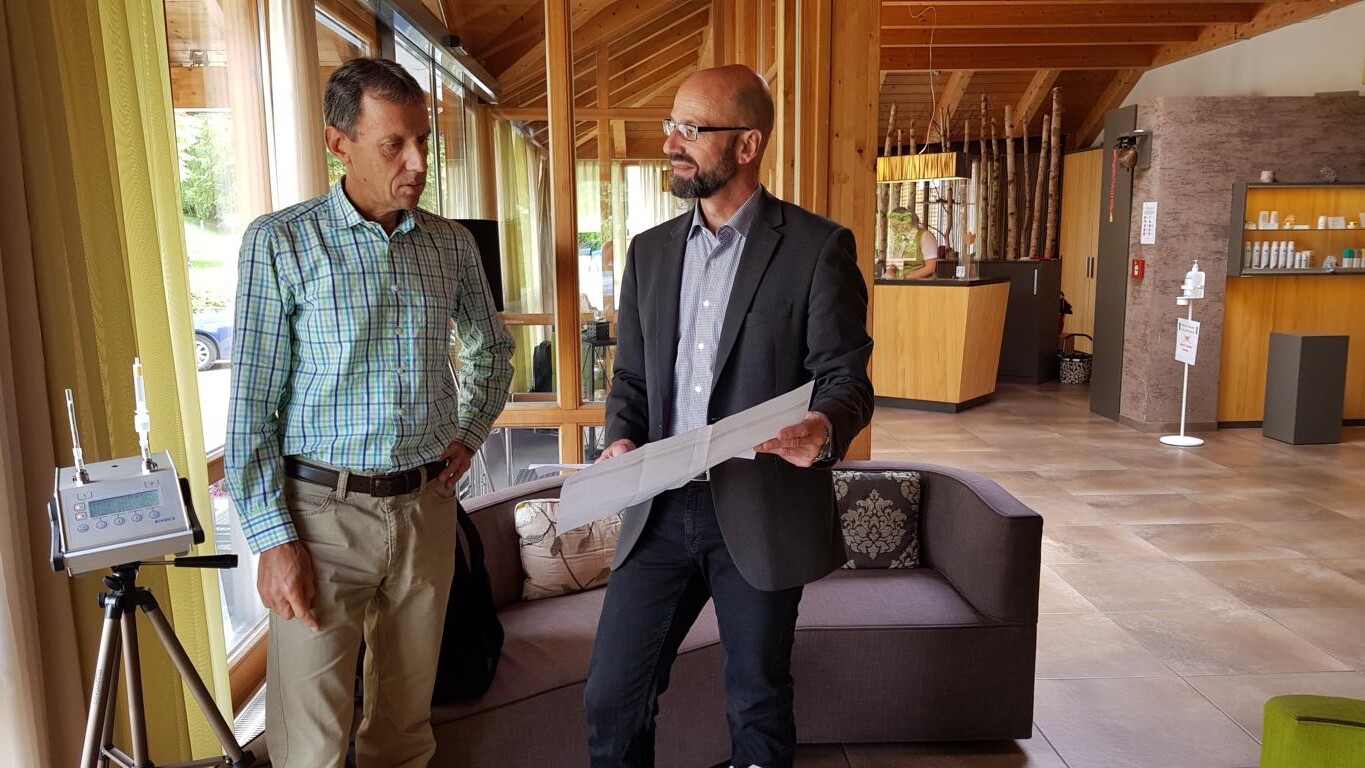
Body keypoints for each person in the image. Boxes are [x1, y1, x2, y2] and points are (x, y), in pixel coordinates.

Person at [225, 57, 514, 767]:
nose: (417, 162)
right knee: (312, 744)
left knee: (403, 730)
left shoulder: (450, 245)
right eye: (395, 144)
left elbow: (494, 355)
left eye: (423, 142)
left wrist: (469, 435)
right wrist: (272, 539)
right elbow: (252, 406)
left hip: (425, 512)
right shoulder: (281, 242)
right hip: (321, 517)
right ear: (338, 143)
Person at [583, 65, 874, 768]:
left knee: (756, 699)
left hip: (759, 507)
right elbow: (629, 380)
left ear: (746, 145)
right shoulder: (648, 253)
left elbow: (846, 380)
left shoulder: (815, 248)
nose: (672, 143)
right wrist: (621, 435)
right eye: (671, 125)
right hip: (656, 511)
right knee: (611, 698)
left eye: (691, 129)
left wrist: (823, 428)